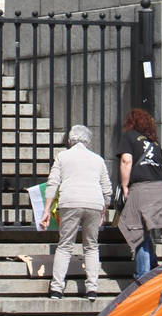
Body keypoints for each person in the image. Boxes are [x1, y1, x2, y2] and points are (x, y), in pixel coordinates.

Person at [38, 124, 112, 300]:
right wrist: (104, 211)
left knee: (65, 245)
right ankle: (92, 288)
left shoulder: (62, 156)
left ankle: (57, 288)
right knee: (91, 246)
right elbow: (107, 189)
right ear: (88, 141)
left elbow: (53, 183)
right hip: (94, 203)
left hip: (70, 201)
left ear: (70, 140)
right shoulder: (98, 159)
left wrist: (46, 210)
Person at [117, 109, 162, 278]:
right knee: (147, 230)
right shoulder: (155, 143)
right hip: (160, 188)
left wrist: (124, 186)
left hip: (142, 188)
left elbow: (126, 160)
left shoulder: (129, 137)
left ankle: (143, 275)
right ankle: (154, 267)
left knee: (138, 230)